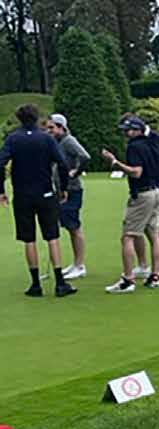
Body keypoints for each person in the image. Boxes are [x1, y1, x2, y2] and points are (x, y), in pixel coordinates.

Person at [0, 103, 77, 297]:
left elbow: (1, 163)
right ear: (36, 118)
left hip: (22, 194)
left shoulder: (13, 139)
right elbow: (62, 163)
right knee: (52, 236)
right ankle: (60, 282)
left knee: (29, 239)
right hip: (45, 193)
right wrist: (64, 188)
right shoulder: (46, 138)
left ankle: (35, 284)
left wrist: (1, 190)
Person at [101, 114, 159, 293]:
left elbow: (136, 172)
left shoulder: (134, 147)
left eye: (128, 130)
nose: (126, 134)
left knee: (128, 236)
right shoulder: (152, 142)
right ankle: (155, 277)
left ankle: (128, 280)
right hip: (155, 191)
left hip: (142, 195)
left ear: (136, 130)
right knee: (154, 235)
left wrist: (115, 163)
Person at [46, 113, 91, 279]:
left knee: (74, 227)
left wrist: (76, 172)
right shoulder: (57, 142)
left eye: (52, 127)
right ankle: (75, 264)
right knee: (68, 226)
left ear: (61, 127)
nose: (49, 131)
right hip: (60, 190)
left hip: (72, 190)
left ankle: (80, 265)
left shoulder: (68, 141)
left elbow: (85, 156)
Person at [130, 120, 159, 279]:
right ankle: (143, 265)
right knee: (138, 227)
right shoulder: (136, 142)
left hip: (156, 185)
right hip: (142, 187)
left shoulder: (156, 139)